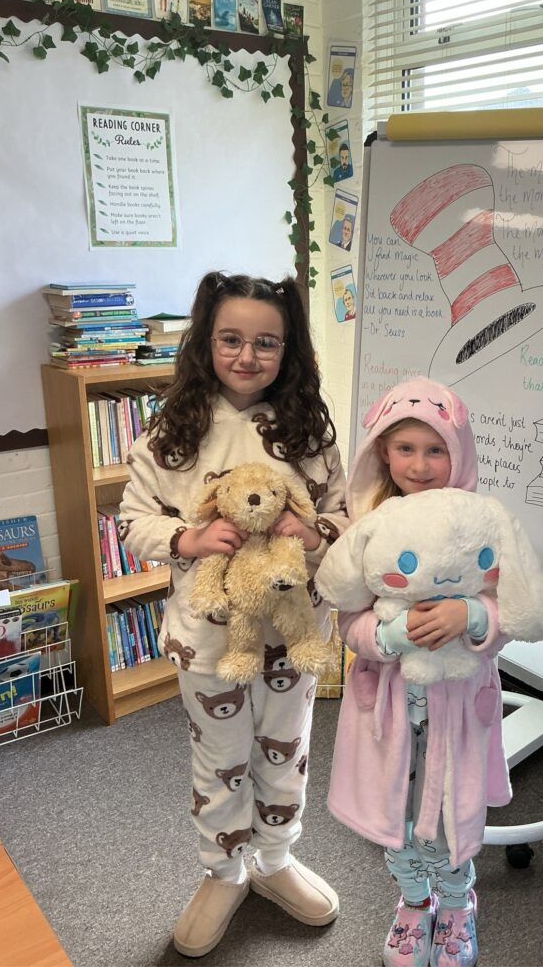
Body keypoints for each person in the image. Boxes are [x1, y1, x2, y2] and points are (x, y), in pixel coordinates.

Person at [119, 272, 348, 958]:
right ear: (206, 342)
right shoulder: (172, 433)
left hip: (294, 633)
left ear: (288, 349)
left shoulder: (309, 430)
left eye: (266, 343)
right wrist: (187, 539)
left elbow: (344, 516)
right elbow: (133, 522)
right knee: (219, 760)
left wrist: (313, 534)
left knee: (286, 749)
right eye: (231, 339)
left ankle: (274, 860)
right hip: (208, 636)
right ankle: (224, 871)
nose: (247, 356)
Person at [322, 377, 517, 967]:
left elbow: (513, 609)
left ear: (458, 453)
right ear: (383, 451)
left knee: (453, 818)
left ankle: (457, 903)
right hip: (387, 709)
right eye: (405, 448)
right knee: (397, 821)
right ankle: (413, 902)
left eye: (436, 450)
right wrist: (389, 636)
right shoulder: (369, 524)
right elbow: (348, 618)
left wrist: (473, 615)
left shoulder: (481, 524)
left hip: (457, 708)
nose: (421, 464)